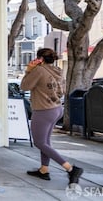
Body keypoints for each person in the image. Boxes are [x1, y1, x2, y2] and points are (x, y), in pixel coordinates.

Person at [20, 47, 83, 185]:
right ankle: (44, 169)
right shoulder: (58, 71)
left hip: (43, 110)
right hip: (56, 109)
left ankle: (70, 169)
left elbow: (24, 86)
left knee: (39, 142)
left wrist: (28, 70)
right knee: (45, 142)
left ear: (40, 59)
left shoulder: (39, 71)